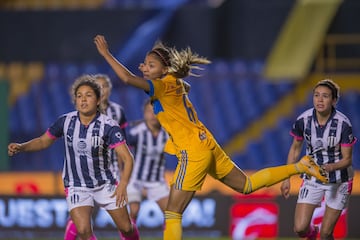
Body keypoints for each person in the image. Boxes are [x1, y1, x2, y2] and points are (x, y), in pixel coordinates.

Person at [94, 34, 328, 240]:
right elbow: (186, 88)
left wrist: (106, 53)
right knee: (246, 185)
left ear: (163, 70)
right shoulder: (173, 83)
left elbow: (126, 79)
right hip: (207, 143)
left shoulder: (161, 85)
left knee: (172, 213)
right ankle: (301, 166)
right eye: (145, 63)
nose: (145, 67)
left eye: (151, 65)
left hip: (193, 151)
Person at [8, 75, 139, 240]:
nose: (83, 100)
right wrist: (22, 147)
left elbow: (128, 158)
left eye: (88, 95)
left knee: (126, 228)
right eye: (79, 96)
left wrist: (123, 184)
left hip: (105, 184)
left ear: (98, 100)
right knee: (83, 231)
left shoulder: (109, 126)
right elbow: (43, 141)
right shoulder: (65, 121)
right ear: (75, 100)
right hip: (76, 185)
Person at [280, 79, 356, 240]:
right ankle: (312, 233)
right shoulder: (303, 120)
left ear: (334, 100)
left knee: (326, 233)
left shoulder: (343, 124)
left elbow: (347, 160)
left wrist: (331, 167)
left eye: (325, 96)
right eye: (316, 95)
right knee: (300, 229)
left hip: (339, 180)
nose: (320, 100)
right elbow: (295, 149)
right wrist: (286, 178)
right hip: (313, 177)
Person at [64, 73, 131, 240]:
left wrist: (123, 177)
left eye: (105, 86)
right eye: (99, 86)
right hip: (84, 175)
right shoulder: (77, 115)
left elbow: (125, 145)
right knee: (82, 222)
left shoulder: (117, 112)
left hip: (111, 170)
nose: (103, 89)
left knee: (125, 224)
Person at [126, 99, 169, 223]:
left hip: (157, 181)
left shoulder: (167, 133)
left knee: (171, 214)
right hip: (136, 180)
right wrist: (121, 171)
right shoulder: (137, 132)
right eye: (149, 112)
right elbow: (120, 149)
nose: (153, 115)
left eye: (156, 112)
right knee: (133, 211)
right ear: (144, 114)